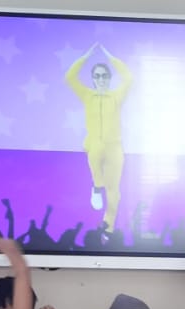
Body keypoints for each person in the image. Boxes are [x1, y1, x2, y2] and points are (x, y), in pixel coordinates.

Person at [65, 43, 132, 234]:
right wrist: (86, 56)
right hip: (95, 143)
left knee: (114, 191)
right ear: (93, 79)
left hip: (114, 147)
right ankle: (96, 186)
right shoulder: (88, 95)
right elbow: (70, 77)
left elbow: (128, 78)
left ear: (109, 78)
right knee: (94, 152)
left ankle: (108, 227)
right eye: (97, 76)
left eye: (104, 75)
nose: (101, 79)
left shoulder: (116, 96)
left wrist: (110, 56)